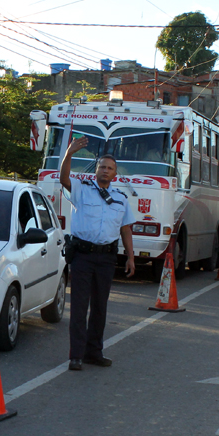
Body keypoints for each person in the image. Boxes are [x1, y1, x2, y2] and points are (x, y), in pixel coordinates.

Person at [59, 137, 136, 371]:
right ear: (96, 169)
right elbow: (63, 178)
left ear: (115, 173)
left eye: (110, 168)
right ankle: (76, 355)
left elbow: (125, 229)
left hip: (106, 258)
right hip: (83, 255)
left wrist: (131, 257)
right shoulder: (82, 190)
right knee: (80, 307)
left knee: (100, 307)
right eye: (102, 166)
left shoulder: (121, 199)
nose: (105, 170)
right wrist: (69, 154)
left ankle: (94, 352)